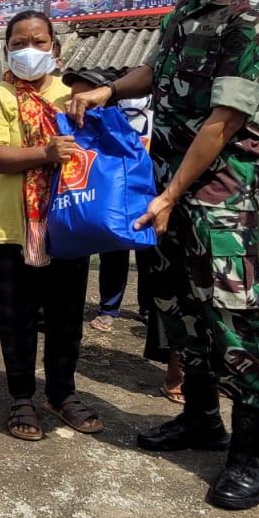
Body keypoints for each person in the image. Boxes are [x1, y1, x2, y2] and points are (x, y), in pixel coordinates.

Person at [71, 0, 259, 509]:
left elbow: (222, 121)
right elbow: (154, 72)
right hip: (165, 186)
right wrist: (108, 90)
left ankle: (251, 455)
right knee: (176, 306)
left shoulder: (254, 13)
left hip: (217, 193)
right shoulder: (186, 7)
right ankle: (199, 417)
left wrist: (170, 193)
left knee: (231, 315)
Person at [0, 11, 100, 442]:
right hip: (13, 229)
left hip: (68, 224)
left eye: (39, 41)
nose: (30, 50)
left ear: (55, 49)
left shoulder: (76, 97)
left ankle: (61, 393)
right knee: (17, 320)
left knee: (67, 319)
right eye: (20, 42)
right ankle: (22, 396)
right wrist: (45, 153)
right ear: (7, 49)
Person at [63, 66, 185, 402]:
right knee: (113, 255)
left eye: (89, 91)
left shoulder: (146, 103)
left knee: (151, 259)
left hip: (152, 187)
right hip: (113, 196)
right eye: (77, 93)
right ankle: (110, 307)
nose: (82, 98)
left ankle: (147, 308)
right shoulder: (80, 122)